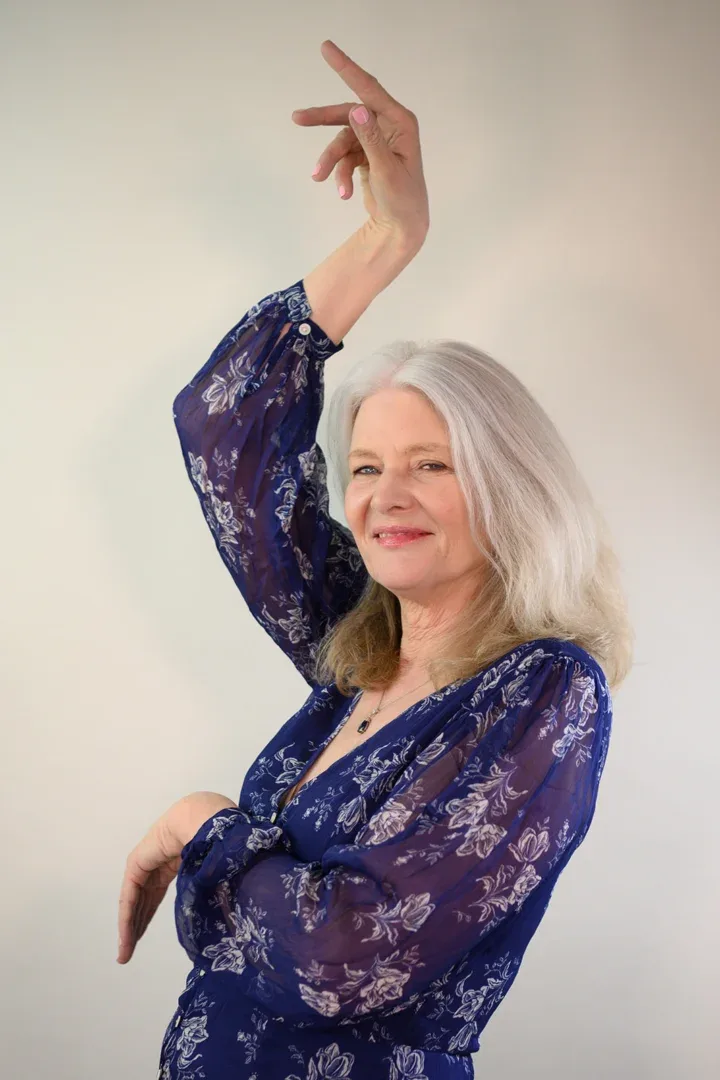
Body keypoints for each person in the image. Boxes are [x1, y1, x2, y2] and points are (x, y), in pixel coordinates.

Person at [117, 39, 632, 1080]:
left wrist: (199, 820)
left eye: (430, 465)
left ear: (507, 489)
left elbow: (341, 959)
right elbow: (226, 431)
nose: (383, 498)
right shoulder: (358, 646)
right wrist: (392, 238)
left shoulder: (542, 694)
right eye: (364, 468)